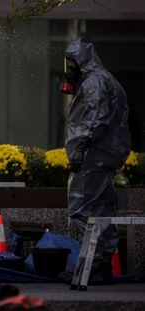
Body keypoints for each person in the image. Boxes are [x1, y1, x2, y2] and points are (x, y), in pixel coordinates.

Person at [60, 38, 131, 284]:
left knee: (80, 209)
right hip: (107, 155)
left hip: (94, 156)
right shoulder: (106, 78)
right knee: (102, 210)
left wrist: (81, 147)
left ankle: (88, 265)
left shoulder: (93, 83)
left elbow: (96, 119)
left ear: (81, 60)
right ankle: (100, 265)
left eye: (71, 62)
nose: (69, 68)